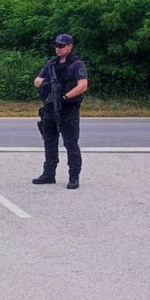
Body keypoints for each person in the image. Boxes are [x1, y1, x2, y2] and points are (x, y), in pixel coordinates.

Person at [32, 33, 88, 189]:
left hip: (68, 110)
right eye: (56, 45)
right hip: (50, 109)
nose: (58, 48)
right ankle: (49, 174)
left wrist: (65, 97)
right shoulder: (51, 64)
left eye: (61, 46)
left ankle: (74, 176)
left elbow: (83, 85)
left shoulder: (76, 64)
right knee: (49, 141)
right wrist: (48, 82)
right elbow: (36, 81)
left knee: (71, 143)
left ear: (70, 46)